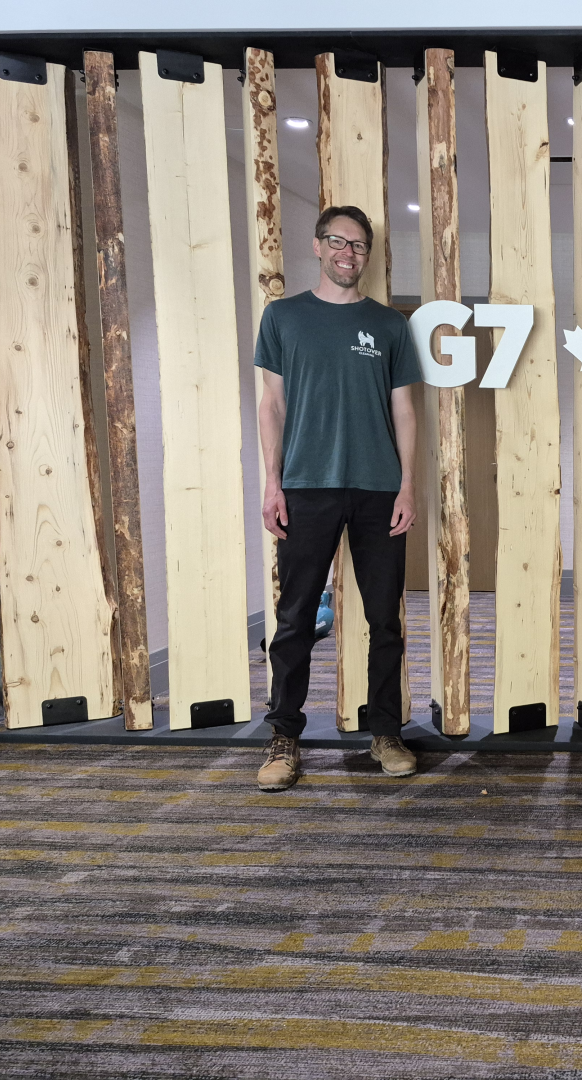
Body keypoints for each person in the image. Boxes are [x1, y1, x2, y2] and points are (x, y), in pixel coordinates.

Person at [254, 205, 422, 792]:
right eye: (338, 242)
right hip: (306, 485)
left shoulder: (390, 325)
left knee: (385, 620)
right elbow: (272, 405)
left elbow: (404, 411)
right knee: (295, 618)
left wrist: (407, 484)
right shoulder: (283, 317)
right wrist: (272, 482)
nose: (348, 253)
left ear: (367, 255)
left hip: (379, 489)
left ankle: (385, 733)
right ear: (318, 245)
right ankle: (284, 738)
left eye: (358, 245)